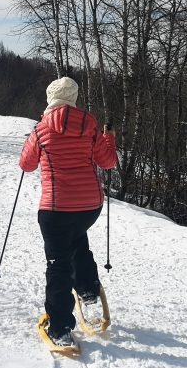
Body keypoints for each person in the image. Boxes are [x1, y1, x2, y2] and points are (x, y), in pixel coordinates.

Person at [19, 77, 118, 349]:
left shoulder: (40, 130)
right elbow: (108, 161)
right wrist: (110, 138)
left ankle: (61, 328)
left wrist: (33, 140)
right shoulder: (91, 127)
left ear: (50, 100)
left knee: (58, 265)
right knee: (76, 240)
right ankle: (87, 289)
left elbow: (26, 165)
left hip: (56, 209)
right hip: (89, 207)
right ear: (74, 99)